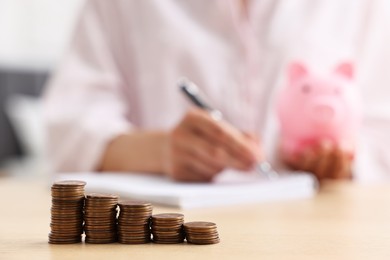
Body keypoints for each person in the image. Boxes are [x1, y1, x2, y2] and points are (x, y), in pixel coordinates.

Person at [44, 0, 390, 182]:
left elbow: (380, 132)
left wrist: (341, 162)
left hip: (319, 235)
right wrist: (162, 151)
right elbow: (70, 126)